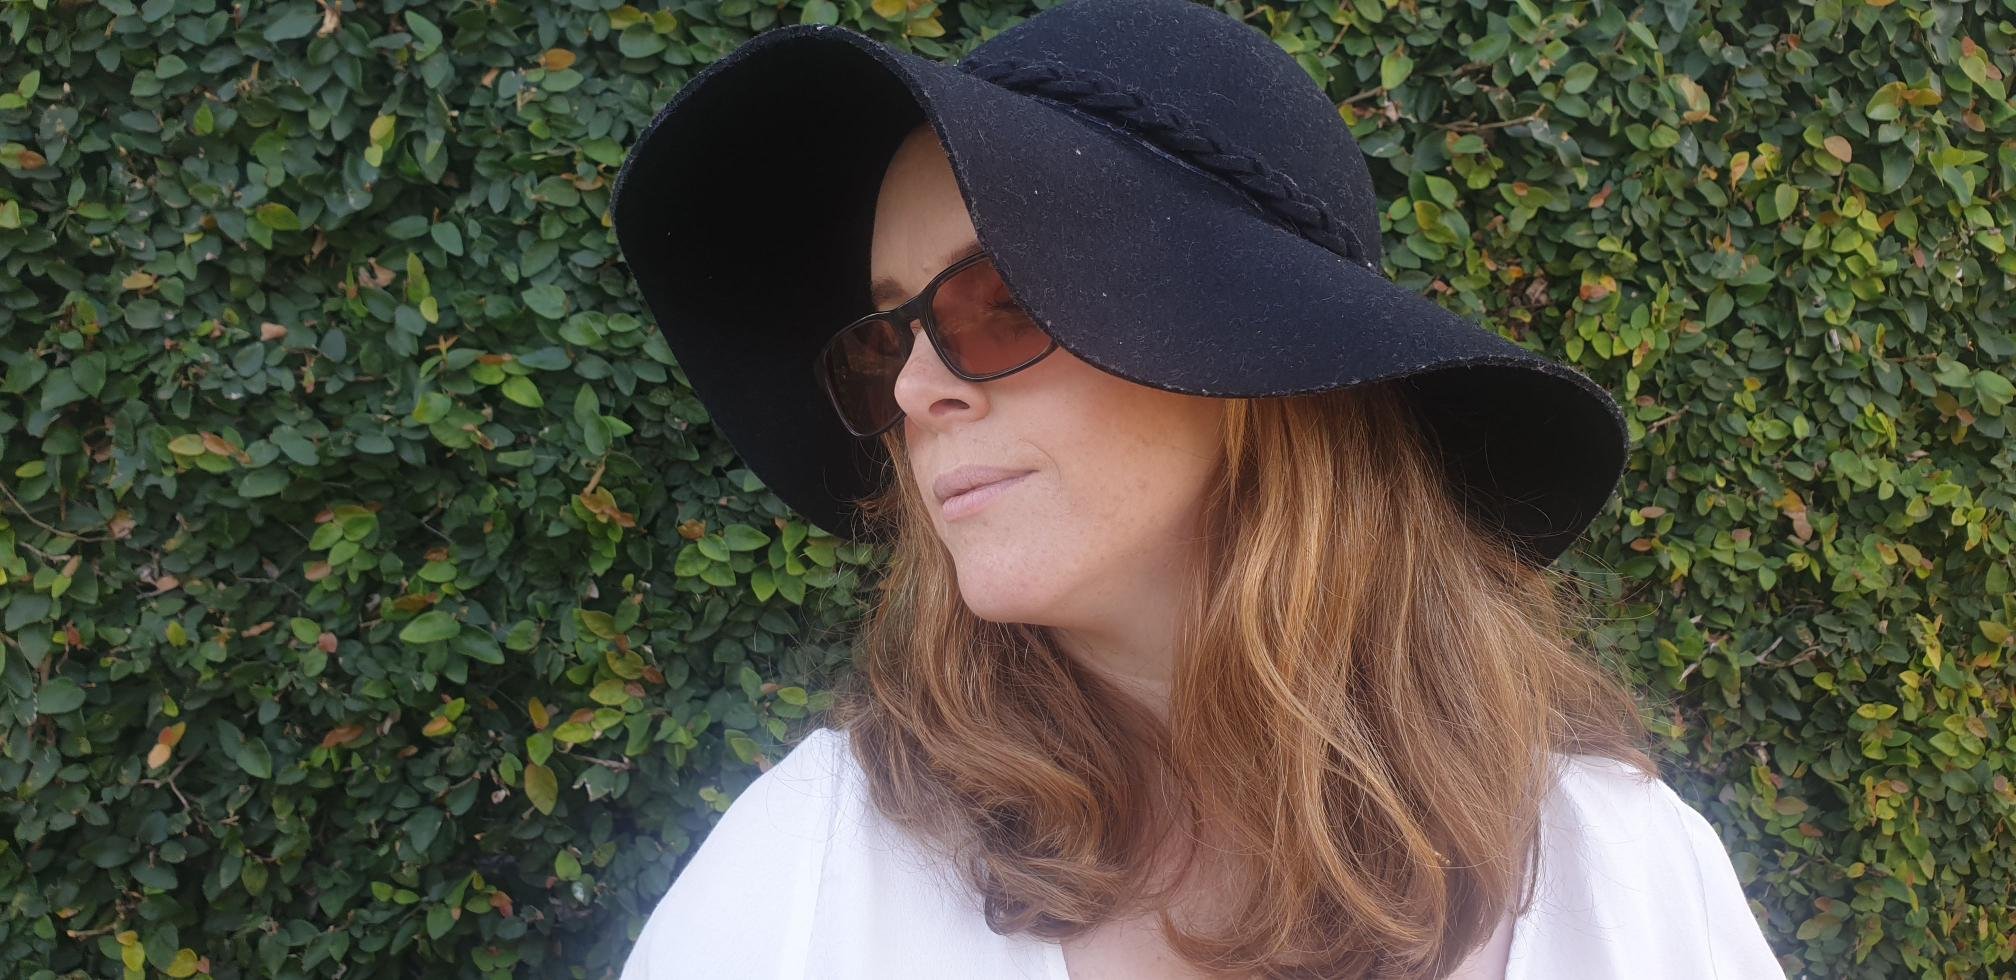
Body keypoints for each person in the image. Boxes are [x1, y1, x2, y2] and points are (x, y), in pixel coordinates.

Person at [608, 2, 1789, 977]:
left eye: (999, 299)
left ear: (1259, 364)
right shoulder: (808, 884)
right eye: (883, 338)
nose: (917, 387)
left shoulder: (1622, 880)